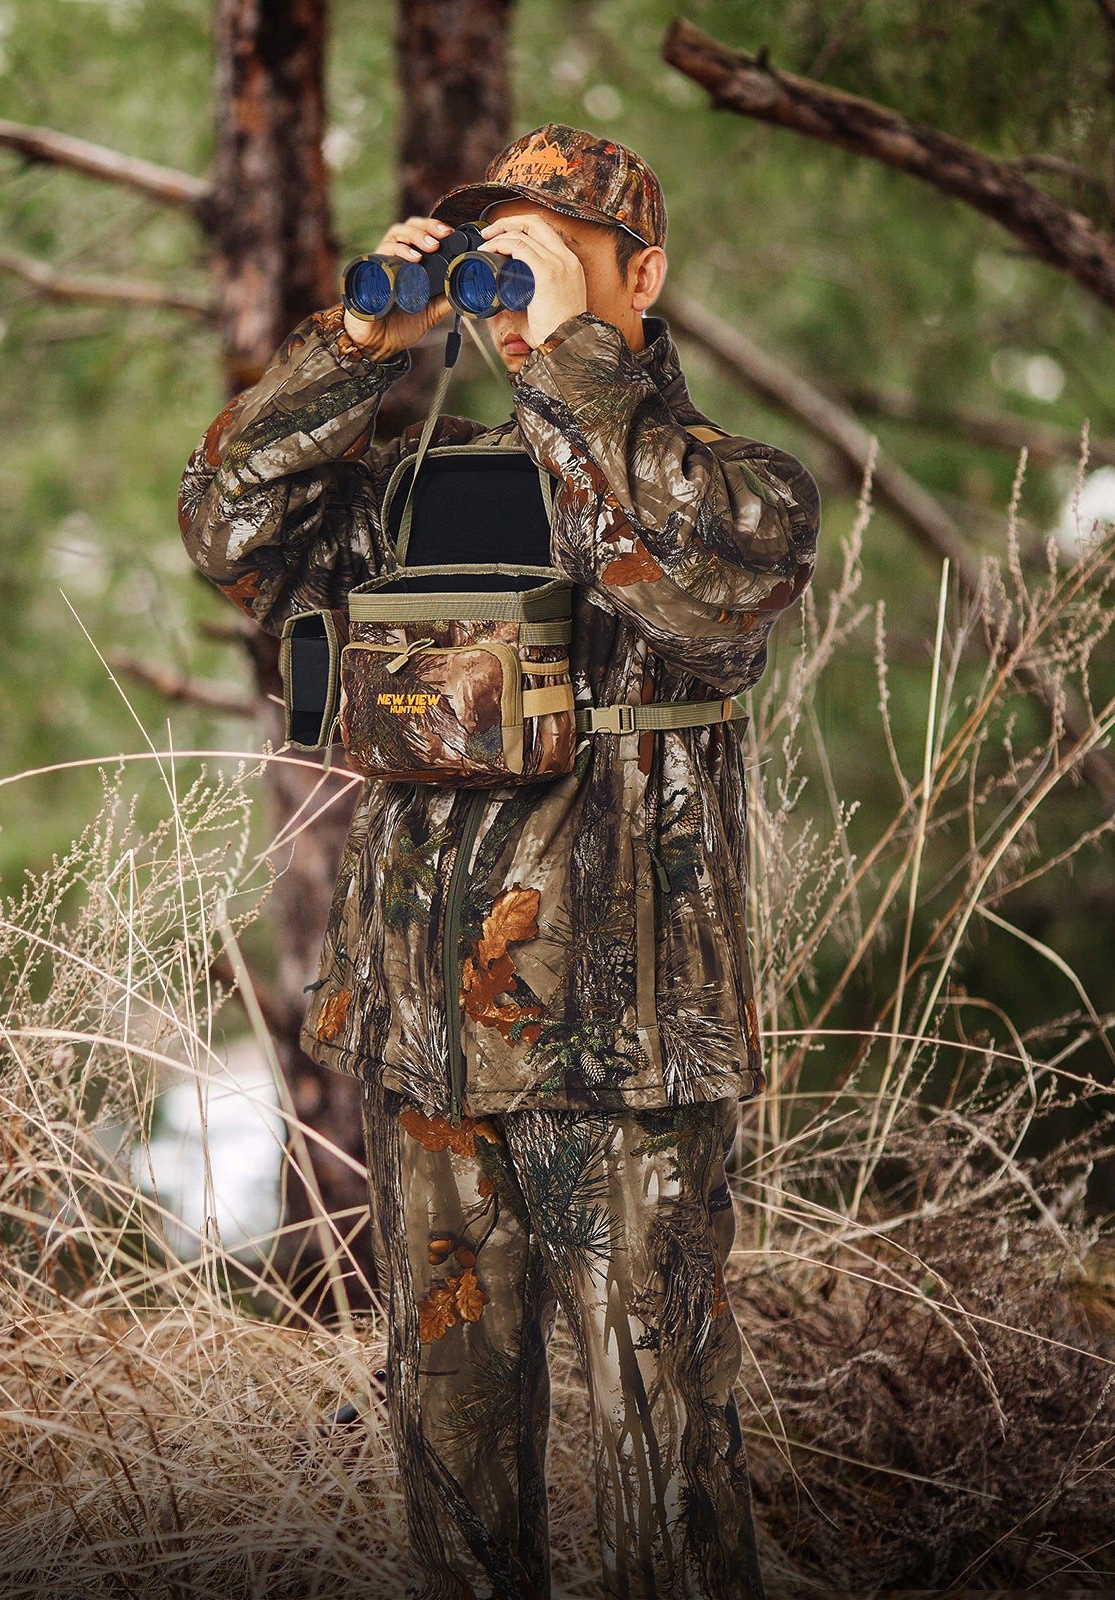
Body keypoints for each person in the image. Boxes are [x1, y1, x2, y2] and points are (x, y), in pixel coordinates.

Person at [177, 124, 819, 1600]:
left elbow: (697, 580)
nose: (504, 271)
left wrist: (566, 362)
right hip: (434, 1059)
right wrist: (354, 346)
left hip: (631, 1058)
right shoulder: (410, 489)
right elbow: (225, 523)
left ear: (642, 275)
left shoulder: (733, 486)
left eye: (547, 242)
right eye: (490, 247)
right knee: (456, 1489)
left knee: (669, 1468)